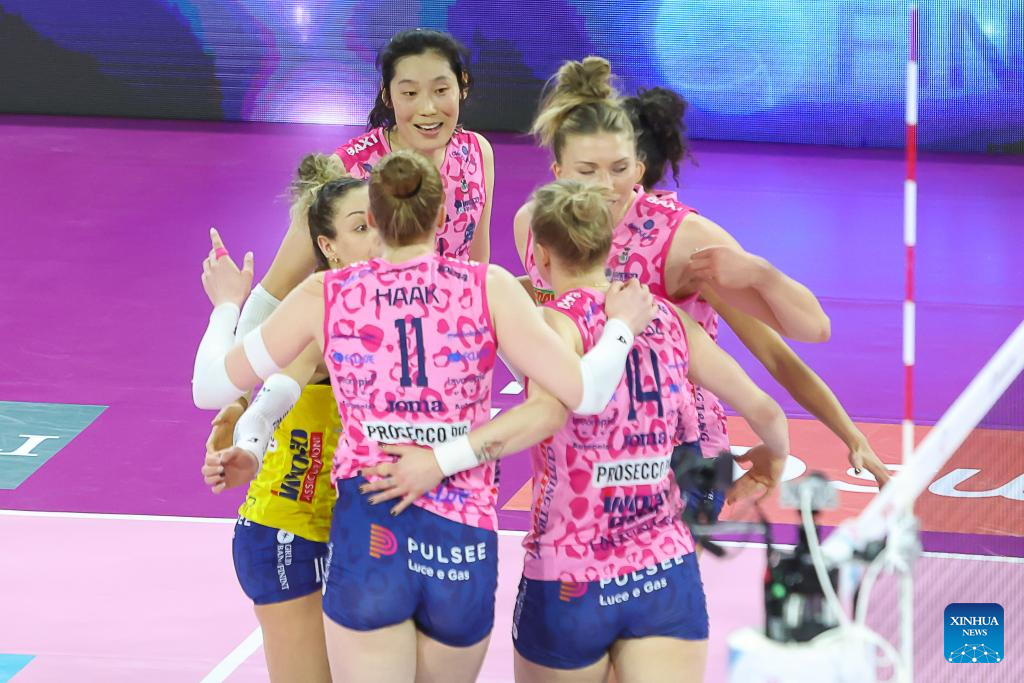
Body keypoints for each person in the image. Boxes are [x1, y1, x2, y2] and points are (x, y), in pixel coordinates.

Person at [193, 150, 657, 683]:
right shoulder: (489, 286)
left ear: (376, 218)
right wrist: (620, 327)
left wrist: (226, 304)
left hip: (370, 533)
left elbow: (210, 387)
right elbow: (584, 393)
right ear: (441, 216)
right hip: (459, 540)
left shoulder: (327, 294)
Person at [362, 180, 789, 683]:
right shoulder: (669, 318)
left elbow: (540, 414)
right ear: (609, 245)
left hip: (569, 572)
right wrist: (772, 457)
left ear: (541, 256)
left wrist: (438, 462)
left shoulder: (553, 326)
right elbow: (765, 410)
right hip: (663, 573)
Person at [514, 57, 890, 489]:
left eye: (618, 168)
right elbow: (552, 307)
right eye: (586, 171)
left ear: (638, 168)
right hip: (577, 454)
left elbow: (799, 337)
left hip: (678, 454)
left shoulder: (681, 238)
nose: (604, 186)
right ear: (558, 172)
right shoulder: (533, 225)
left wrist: (761, 273)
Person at [202, 154, 379, 682]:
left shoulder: (401, 309)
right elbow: (273, 396)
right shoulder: (318, 316)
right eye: (361, 227)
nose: (378, 235)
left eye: (383, 221)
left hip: (357, 534)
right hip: (289, 533)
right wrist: (248, 446)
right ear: (328, 246)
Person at [246, 29, 496, 348]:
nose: (428, 108)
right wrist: (234, 375)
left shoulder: (477, 153)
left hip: (444, 350)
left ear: (463, 86)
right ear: (387, 95)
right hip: (361, 352)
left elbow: (475, 267)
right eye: (410, 93)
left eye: (441, 90)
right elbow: (275, 289)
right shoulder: (345, 170)